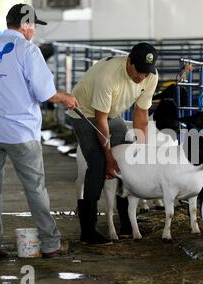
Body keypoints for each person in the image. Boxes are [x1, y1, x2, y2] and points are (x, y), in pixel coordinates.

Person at [0, 4, 78, 259]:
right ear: (25, 25)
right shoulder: (28, 51)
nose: (34, 31)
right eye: (34, 25)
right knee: (35, 188)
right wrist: (65, 98)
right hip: (21, 133)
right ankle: (50, 244)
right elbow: (45, 93)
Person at [67, 42, 159, 244]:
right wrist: (109, 158)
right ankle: (88, 230)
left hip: (112, 114)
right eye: (140, 71)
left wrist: (141, 149)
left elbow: (141, 113)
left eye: (147, 72)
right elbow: (100, 122)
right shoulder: (108, 76)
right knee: (98, 164)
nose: (142, 77)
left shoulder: (151, 76)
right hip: (84, 112)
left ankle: (126, 222)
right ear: (129, 62)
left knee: (126, 160)